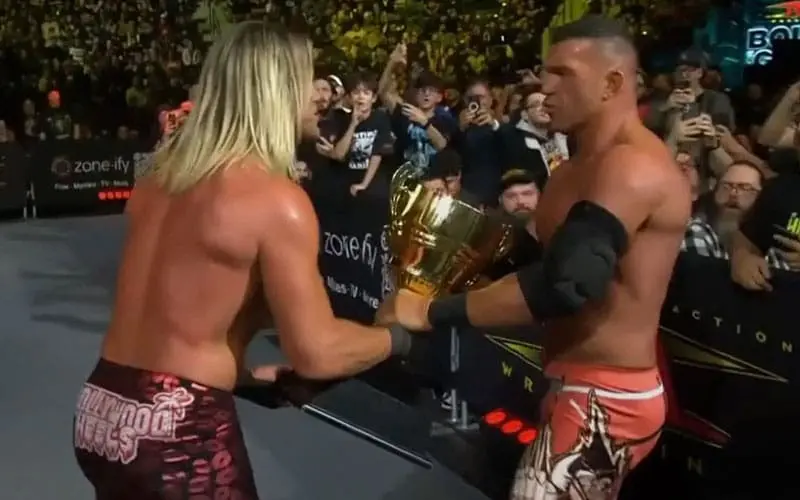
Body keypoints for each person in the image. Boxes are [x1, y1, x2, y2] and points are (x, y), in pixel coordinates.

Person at [73, 22, 416, 500]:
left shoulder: (158, 181)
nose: (321, 96)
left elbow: (178, 322)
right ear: (276, 89)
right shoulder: (275, 199)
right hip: (177, 430)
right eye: (309, 80)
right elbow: (317, 352)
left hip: (101, 408)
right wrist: (400, 335)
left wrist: (245, 378)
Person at [377, 15, 692, 499]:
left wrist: (431, 311)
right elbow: (535, 263)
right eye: (547, 72)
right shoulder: (569, 169)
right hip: (569, 379)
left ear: (611, 84)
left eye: (564, 74)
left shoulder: (633, 167)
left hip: (609, 397)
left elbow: (566, 284)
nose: (545, 87)